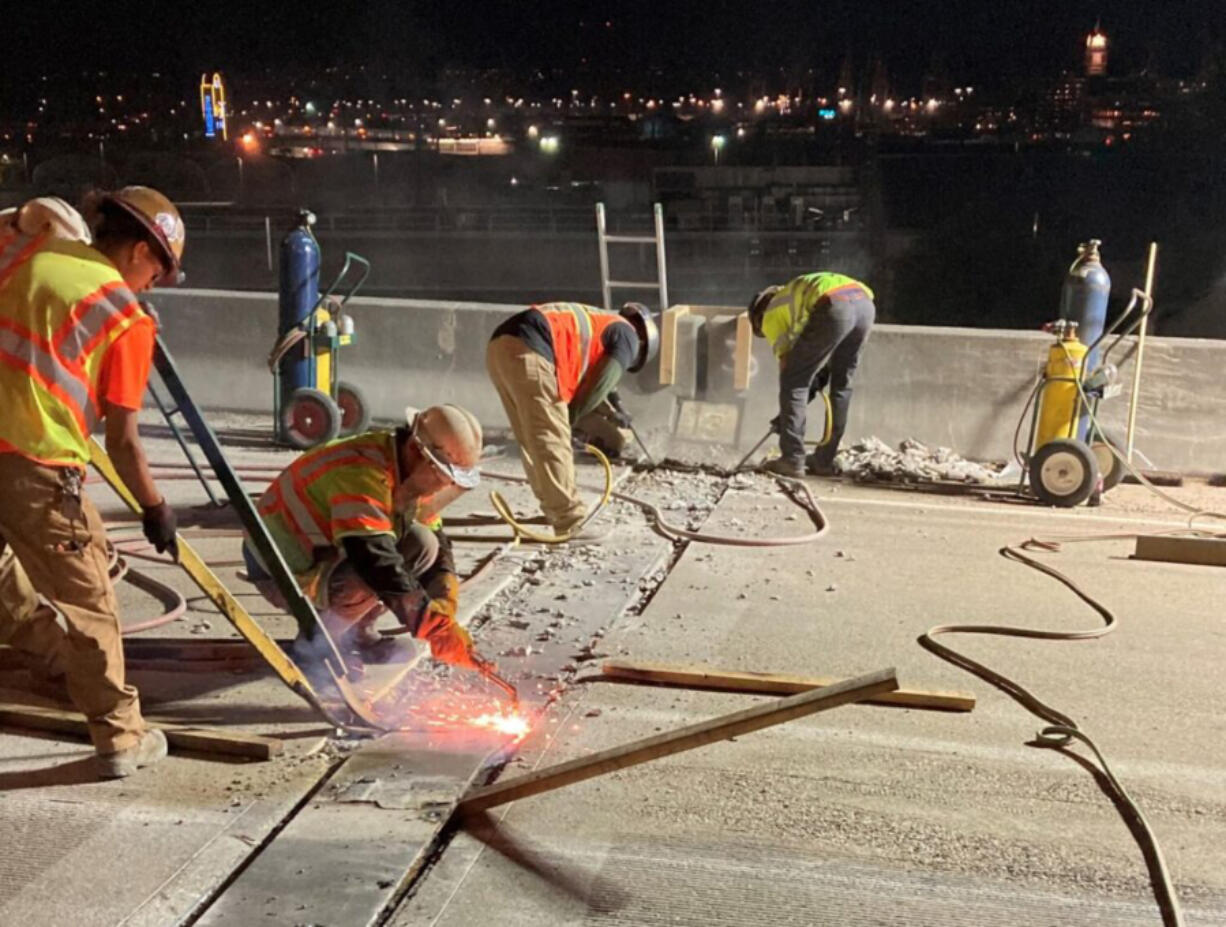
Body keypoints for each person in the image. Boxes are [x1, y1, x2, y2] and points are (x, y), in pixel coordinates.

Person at [0, 187, 186, 778]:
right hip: (36, 464)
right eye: (159, 270)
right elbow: (124, 442)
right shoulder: (125, 316)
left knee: (1, 574)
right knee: (90, 604)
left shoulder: (28, 254)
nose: (154, 285)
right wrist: (154, 507)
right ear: (137, 251)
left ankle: (52, 659)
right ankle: (120, 736)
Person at [243, 405, 483, 672]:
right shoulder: (361, 470)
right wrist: (431, 626)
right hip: (280, 568)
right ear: (416, 451)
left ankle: (357, 634)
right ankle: (317, 645)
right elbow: (373, 559)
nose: (444, 486)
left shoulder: (410, 468)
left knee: (423, 544)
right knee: (373, 570)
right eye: (443, 475)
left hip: (326, 554)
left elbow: (437, 547)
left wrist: (444, 602)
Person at [486, 301, 658, 537]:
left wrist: (615, 410)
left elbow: (602, 381)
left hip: (501, 345)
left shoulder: (605, 323)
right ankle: (570, 521)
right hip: (532, 347)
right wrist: (570, 419)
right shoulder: (629, 337)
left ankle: (552, 507)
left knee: (531, 438)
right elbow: (602, 383)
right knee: (552, 438)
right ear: (643, 343)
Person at [748, 272, 875, 477]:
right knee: (842, 384)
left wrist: (788, 414)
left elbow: (790, 370)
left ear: (758, 315)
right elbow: (820, 356)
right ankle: (824, 460)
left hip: (834, 305)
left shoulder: (771, 314)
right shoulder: (794, 296)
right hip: (864, 305)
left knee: (793, 383)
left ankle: (792, 458)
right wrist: (814, 384)